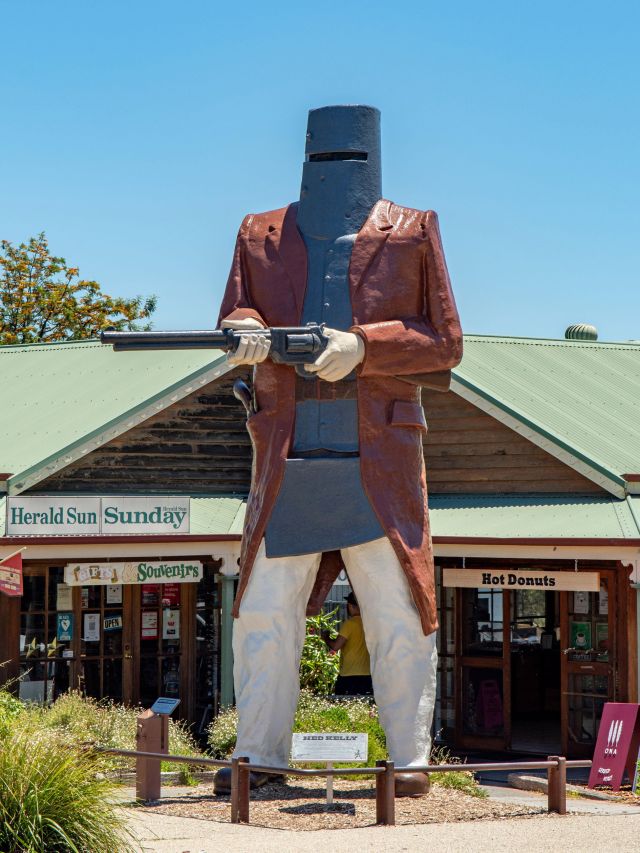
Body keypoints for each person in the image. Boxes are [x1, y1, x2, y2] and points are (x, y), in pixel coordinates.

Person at [213, 105, 462, 798]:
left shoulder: (414, 229)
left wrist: (363, 347)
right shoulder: (257, 232)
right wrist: (245, 329)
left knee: (399, 614)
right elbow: (237, 311)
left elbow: (446, 342)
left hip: (378, 461)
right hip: (287, 460)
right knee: (263, 610)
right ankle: (259, 754)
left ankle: (409, 762)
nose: (335, 170)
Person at [324, 592, 373, 696]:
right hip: (368, 675)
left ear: (350, 605)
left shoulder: (350, 624)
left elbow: (336, 646)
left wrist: (325, 638)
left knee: (343, 704)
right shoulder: (369, 624)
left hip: (349, 675)